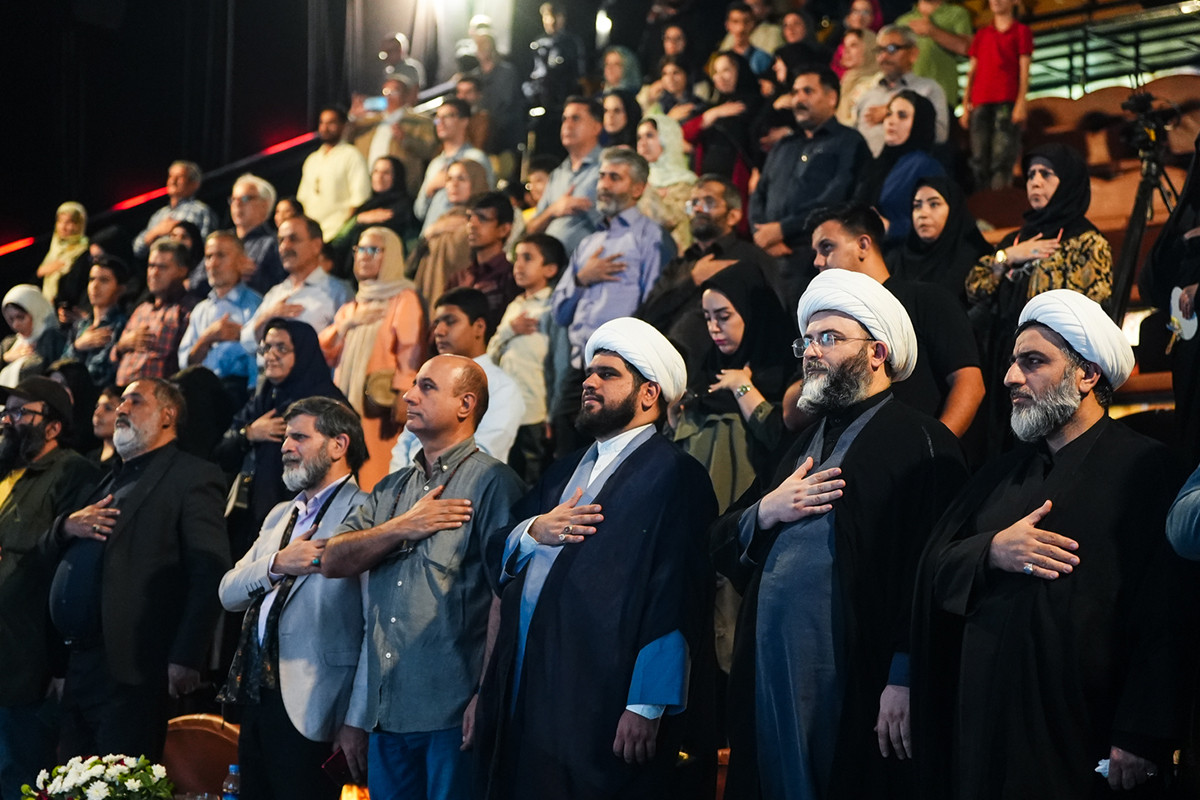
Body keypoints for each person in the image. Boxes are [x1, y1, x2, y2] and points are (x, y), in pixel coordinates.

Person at [912, 290, 1195, 799]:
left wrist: (1141, 733)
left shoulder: (1149, 470)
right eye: (1013, 362)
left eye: (1032, 362)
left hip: (1082, 736)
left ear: (1087, 375)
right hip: (984, 731)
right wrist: (992, 551)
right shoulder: (999, 474)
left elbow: (1168, 615)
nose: (1010, 377)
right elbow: (934, 567)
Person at [715, 268, 967, 800]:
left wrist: (904, 675)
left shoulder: (923, 441)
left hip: (857, 673)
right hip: (771, 668)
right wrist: (766, 510)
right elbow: (718, 539)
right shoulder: (799, 445)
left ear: (877, 352)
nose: (811, 351)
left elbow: (931, 574)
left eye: (828, 338)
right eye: (806, 340)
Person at [475, 317, 719, 800]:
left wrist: (647, 703)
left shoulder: (677, 475)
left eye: (607, 374)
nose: (589, 382)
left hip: (605, 692)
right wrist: (534, 531)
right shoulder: (562, 470)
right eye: (589, 372)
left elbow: (678, 594)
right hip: (534, 679)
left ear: (648, 394)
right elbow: (500, 546)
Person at [320, 355, 525, 800]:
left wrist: (485, 695)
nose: (409, 396)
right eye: (413, 385)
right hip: (386, 711)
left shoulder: (493, 482)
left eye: (427, 387)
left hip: (452, 711)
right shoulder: (392, 488)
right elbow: (332, 560)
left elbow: (506, 596)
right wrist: (402, 526)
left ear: (465, 404)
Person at [46, 378, 231, 761]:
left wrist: (186, 656)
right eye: (122, 402)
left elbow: (210, 569)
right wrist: (65, 526)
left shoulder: (193, 476)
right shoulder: (107, 477)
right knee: (72, 781)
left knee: (121, 778)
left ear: (167, 415)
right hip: (79, 663)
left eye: (135, 401)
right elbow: (49, 549)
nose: (122, 409)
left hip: (134, 666)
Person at [217, 397, 371, 799]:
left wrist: (356, 719)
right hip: (257, 695)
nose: (286, 447)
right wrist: (277, 563)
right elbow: (228, 591)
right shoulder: (279, 515)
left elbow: (375, 627)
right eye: (286, 437)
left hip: (318, 705)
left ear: (339, 445)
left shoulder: (367, 511)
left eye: (299, 437)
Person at [966, 143, 1112, 454]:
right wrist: (1007, 256)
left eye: (1046, 174)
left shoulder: (1086, 241)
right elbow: (975, 289)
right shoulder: (1016, 239)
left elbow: (1090, 304)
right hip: (1003, 354)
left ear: (1068, 181)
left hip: (1053, 362)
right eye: (1031, 174)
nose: (1035, 182)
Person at [0, 378, 98, 798]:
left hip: (28, 652)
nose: (8, 420)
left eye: (21, 412)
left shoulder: (72, 471)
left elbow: (69, 559)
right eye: (7, 412)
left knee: (20, 771)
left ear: (54, 426)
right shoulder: (6, 470)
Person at [809, 204, 985, 438]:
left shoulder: (927, 299)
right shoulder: (826, 321)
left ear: (863, 245)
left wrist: (935, 447)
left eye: (827, 247)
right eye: (815, 251)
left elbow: (970, 384)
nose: (817, 261)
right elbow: (795, 412)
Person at [551, 148, 676, 449]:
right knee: (565, 454)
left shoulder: (651, 237)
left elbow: (655, 308)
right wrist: (582, 279)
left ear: (638, 188)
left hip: (620, 372)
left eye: (615, 178)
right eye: (602, 176)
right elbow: (559, 312)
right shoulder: (589, 242)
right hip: (578, 366)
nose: (604, 185)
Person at [218, 318, 349, 556]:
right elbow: (221, 450)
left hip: (309, 524)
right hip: (256, 520)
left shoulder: (329, 403)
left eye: (281, 348)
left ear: (303, 352)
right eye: (266, 347)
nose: (271, 355)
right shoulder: (265, 396)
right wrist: (249, 433)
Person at [670, 260, 793, 510]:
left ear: (752, 313)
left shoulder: (782, 372)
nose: (713, 328)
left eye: (723, 317)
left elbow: (781, 439)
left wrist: (741, 387)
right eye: (707, 318)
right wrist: (673, 421)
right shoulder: (706, 368)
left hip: (748, 511)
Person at [749, 66, 871, 309]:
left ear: (832, 97)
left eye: (808, 91)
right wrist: (761, 233)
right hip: (768, 256)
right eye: (795, 92)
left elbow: (838, 196)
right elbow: (759, 193)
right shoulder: (784, 144)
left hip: (812, 258)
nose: (798, 99)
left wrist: (783, 229)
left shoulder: (848, 141)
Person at [318, 227, 426, 491]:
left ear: (392, 256)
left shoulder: (404, 299)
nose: (364, 256)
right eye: (360, 249)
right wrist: (345, 326)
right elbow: (324, 353)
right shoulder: (352, 306)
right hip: (345, 404)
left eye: (374, 250)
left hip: (379, 408)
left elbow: (411, 351)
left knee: (375, 473)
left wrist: (403, 393)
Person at [639, 174, 776, 379]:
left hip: (722, 373)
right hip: (663, 367)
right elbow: (648, 316)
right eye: (694, 203)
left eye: (709, 202)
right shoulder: (682, 263)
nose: (698, 209)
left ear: (733, 216)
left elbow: (769, 323)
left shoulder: (750, 259)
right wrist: (691, 280)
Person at [389, 289, 525, 471]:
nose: (439, 331)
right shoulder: (427, 376)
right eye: (437, 323)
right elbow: (405, 442)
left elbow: (484, 451)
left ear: (479, 327)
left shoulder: (502, 387)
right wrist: (403, 483)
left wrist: (427, 481)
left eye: (450, 321)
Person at [486, 234, 565, 485]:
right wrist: (510, 330)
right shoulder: (516, 305)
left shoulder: (553, 307)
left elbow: (558, 364)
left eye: (528, 258)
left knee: (533, 478)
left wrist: (552, 413)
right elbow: (492, 354)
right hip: (506, 409)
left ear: (550, 269)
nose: (518, 265)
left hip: (535, 412)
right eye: (516, 258)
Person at [241, 216, 353, 353]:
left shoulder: (338, 291)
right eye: (281, 240)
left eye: (293, 239)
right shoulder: (276, 292)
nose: (285, 247)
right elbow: (245, 342)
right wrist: (267, 317)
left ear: (316, 246)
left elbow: (344, 345)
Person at [178, 231, 263, 406]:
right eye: (209, 257)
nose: (213, 264)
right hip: (199, 392)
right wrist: (207, 338)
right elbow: (185, 363)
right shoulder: (200, 310)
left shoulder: (255, 305)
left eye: (221, 255)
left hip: (238, 395)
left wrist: (243, 335)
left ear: (241, 261)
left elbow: (259, 363)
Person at [854, 90, 945, 246]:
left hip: (903, 251)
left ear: (919, 123)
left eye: (902, 116)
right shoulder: (877, 163)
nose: (891, 121)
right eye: (889, 114)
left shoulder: (926, 166)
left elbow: (939, 223)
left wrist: (891, 228)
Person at [961, 0, 1033, 191]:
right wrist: (965, 103)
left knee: (1002, 157)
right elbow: (972, 71)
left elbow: (1024, 70)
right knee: (979, 158)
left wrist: (1021, 103)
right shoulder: (982, 34)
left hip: (1007, 100)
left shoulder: (1021, 31)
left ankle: (998, 202)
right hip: (980, 101)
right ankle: (983, 201)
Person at [681, 52, 763, 216]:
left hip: (740, 182)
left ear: (740, 71)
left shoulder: (756, 105)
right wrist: (714, 113)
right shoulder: (711, 108)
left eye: (726, 70)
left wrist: (758, 168)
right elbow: (686, 134)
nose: (720, 77)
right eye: (716, 72)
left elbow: (758, 144)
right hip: (708, 185)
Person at [887, 176, 991, 305]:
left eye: (934, 204)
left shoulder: (976, 257)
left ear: (953, 208)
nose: (923, 214)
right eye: (917, 206)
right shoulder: (897, 259)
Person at [525, 97, 605, 259]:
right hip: (551, 266)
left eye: (576, 118)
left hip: (590, 263)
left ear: (596, 127)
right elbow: (531, 228)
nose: (567, 125)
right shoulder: (557, 175)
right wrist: (554, 210)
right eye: (565, 119)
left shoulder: (607, 168)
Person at [853, 25, 949, 157]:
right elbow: (853, 137)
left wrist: (894, 112)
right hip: (867, 166)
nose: (883, 57)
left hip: (908, 166)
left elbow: (940, 135)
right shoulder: (868, 93)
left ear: (913, 53)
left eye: (891, 49)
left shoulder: (928, 89)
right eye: (880, 50)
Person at [408, 159, 491, 306]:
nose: (454, 184)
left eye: (461, 179)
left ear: (476, 181)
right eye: (449, 179)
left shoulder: (486, 223)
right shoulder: (443, 220)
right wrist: (429, 233)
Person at [348, 76, 439, 200]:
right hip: (367, 187)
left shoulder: (420, 122)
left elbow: (429, 150)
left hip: (402, 190)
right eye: (386, 92)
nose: (389, 96)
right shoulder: (369, 122)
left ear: (406, 95)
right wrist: (352, 119)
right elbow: (346, 142)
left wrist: (405, 139)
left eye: (394, 91)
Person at [415, 99, 495, 234]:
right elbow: (419, 211)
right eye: (437, 118)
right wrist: (430, 188)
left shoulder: (475, 159)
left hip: (460, 237)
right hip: (430, 236)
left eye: (447, 116)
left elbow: (486, 204)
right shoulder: (436, 164)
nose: (440, 122)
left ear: (464, 121)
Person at [446, 192, 520, 332]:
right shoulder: (458, 278)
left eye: (482, 218)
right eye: (469, 218)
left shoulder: (512, 278)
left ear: (504, 229)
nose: (472, 225)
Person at [296, 107, 372, 241]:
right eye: (322, 123)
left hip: (339, 233)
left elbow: (360, 197)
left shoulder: (351, 155)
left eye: (331, 123)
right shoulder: (312, 159)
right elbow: (302, 199)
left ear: (343, 126)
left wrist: (344, 231)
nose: (325, 128)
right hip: (313, 236)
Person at [331, 156, 415, 271]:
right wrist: (358, 219)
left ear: (397, 176)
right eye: (376, 171)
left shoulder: (405, 207)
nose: (379, 177)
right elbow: (337, 243)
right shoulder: (364, 207)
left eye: (386, 173)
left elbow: (409, 245)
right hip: (351, 273)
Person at [131, 161, 219, 259]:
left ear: (194, 184)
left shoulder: (201, 211)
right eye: (170, 176)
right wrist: (155, 232)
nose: (173, 181)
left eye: (179, 177)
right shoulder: (159, 215)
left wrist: (178, 232)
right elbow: (137, 249)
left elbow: (206, 249)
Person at [636, 115, 697, 254]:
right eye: (639, 137)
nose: (642, 143)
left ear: (668, 138)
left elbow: (670, 220)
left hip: (676, 257)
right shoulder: (639, 182)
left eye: (649, 136)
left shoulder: (687, 184)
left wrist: (648, 191)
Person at [895, 0, 972, 107]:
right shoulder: (903, 21)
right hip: (908, 95)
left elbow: (966, 48)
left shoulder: (957, 14)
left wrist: (932, 30)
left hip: (943, 94)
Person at [229, 173, 287, 295]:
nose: (237, 204)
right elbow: (193, 283)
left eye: (245, 198)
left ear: (264, 204)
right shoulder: (220, 241)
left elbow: (283, 285)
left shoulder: (276, 244)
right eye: (233, 199)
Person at [0, 286, 67, 388]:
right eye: (11, 319)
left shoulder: (52, 339)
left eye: (20, 317)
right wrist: (5, 358)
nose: (15, 325)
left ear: (35, 312)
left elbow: (46, 371)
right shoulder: (9, 343)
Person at [36, 201, 89, 309]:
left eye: (69, 222)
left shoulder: (84, 251)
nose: (63, 227)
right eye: (60, 221)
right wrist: (41, 271)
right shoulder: (53, 248)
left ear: (80, 225)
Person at [835, 29, 879, 126]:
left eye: (853, 45)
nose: (846, 51)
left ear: (869, 48)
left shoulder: (877, 82)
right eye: (845, 46)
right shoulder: (847, 80)